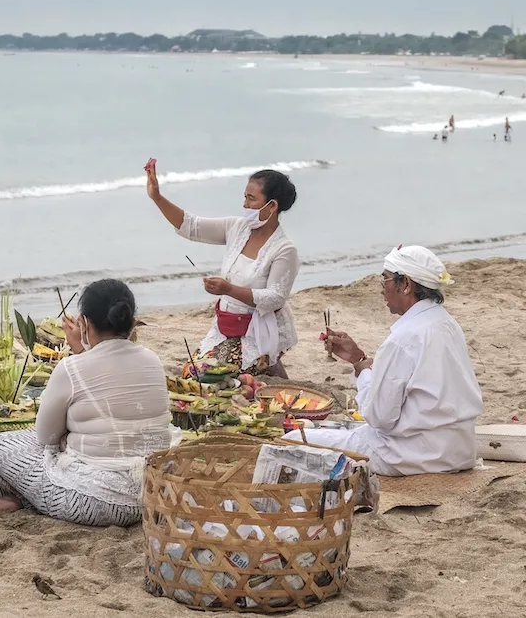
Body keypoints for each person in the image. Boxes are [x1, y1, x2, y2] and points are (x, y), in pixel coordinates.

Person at [0, 279, 177, 526]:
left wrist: (66, 436)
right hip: (154, 494)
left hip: (98, 503)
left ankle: (14, 500)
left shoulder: (72, 368)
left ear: (83, 323)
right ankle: (20, 503)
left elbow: (45, 437)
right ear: (131, 320)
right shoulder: (153, 360)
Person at [285, 245, 483, 476]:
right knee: (344, 432)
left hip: (413, 456)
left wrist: (364, 371)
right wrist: (360, 361)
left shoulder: (403, 338)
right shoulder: (447, 324)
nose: (382, 290)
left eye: (385, 280)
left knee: (292, 439)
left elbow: (380, 417)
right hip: (458, 450)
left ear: (406, 284)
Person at [146, 162, 299, 377]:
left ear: (272, 206)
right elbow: (191, 226)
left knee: (211, 378)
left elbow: (275, 298)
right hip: (225, 326)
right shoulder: (236, 228)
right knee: (193, 374)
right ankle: (269, 368)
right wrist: (157, 197)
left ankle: (268, 361)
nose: (245, 204)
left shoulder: (284, 249)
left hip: (257, 330)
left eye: (251, 199)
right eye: (244, 197)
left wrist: (228, 289)